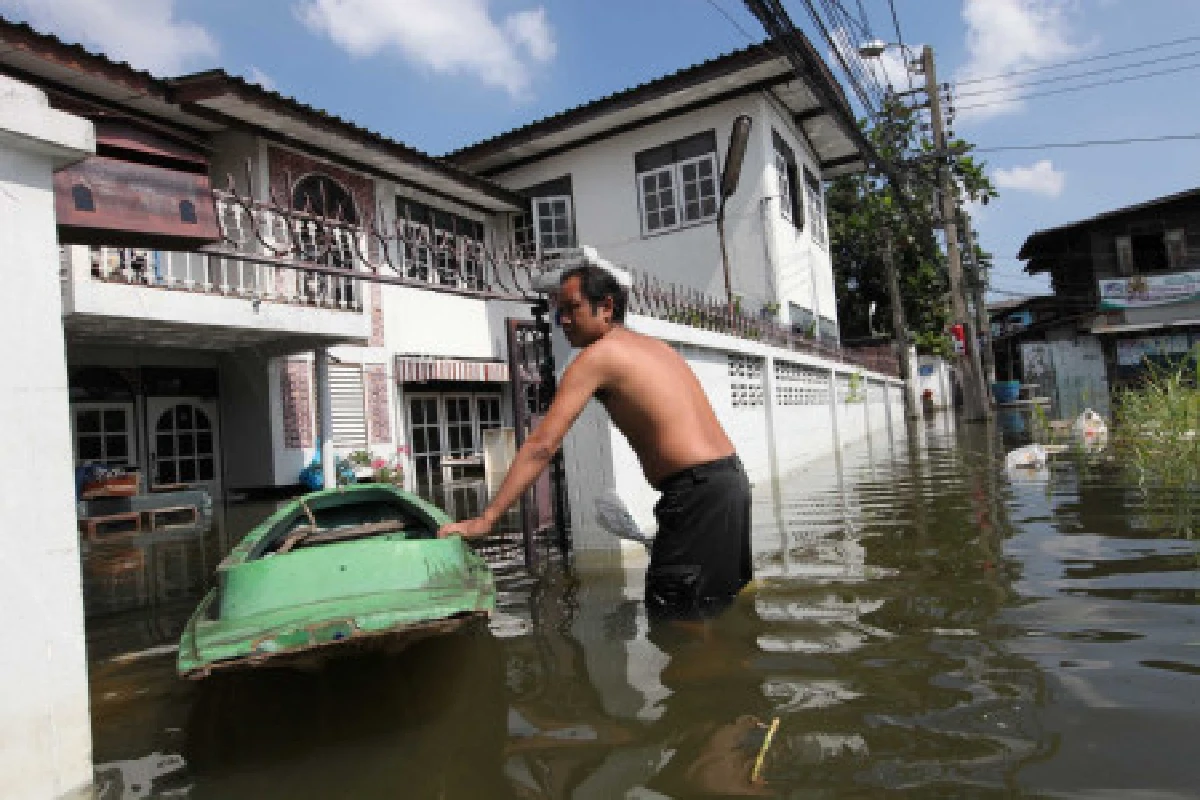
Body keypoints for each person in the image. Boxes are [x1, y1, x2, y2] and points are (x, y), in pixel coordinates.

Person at [438, 251, 752, 618]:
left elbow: (541, 446)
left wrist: (486, 519)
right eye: (558, 312)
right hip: (729, 482)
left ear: (606, 307)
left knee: (676, 621)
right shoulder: (656, 348)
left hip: (696, 493)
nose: (562, 321)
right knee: (718, 608)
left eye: (571, 308)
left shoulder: (597, 357)